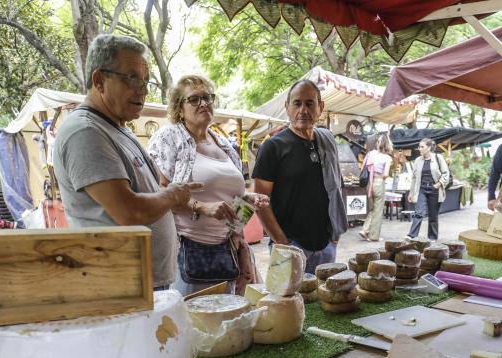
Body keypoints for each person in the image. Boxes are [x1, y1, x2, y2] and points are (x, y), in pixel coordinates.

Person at [53, 34, 200, 291]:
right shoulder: (85, 132)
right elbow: (130, 212)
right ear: (99, 80)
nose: (142, 89)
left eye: (145, 81)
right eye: (131, 78)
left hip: (142, 284)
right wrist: (173, 195)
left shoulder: (117, 129)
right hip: (120, 287)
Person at [147, 74, 268, 296]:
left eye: (207, 97)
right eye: (194, 99)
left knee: (226, 322)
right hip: (189, 254)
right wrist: (201, 206)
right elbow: (156, 192)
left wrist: (245, 211)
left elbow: (236, 200)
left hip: (226, 254)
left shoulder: (224, 144)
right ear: (179, 109)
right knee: (194, 324)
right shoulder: (168, 137)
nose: (203, 103)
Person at [252, 79, 347, 274]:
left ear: (320, 107)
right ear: (287, 108)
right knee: (290, 304)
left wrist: (334, 235)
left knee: (326, 302)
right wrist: (283, 243)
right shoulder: (274, 147)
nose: (303, 110)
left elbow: (337, 187)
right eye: (297, 103)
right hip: (291, 247)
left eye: (309, 103)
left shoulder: (327, 141)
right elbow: (260, 202)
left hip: (327, 245)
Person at [406, 138, 450, 241]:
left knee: (433, 216)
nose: (419, 149)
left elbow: (446, 173)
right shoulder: (418, 160)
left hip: (434, 190)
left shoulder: (438, 158)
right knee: (419, 213)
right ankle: (411, 236)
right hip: (422, 189)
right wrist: (411, 192)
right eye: (419, 146)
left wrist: (439, 184)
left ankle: (432, 238)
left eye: (422, 147)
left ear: (429, 148)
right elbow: (414, 177)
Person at [358, 133, 393, 242]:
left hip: (369, 184)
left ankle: (365, 229)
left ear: (378, 143)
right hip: (378, 183)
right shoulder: (387, 158)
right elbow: (386, 174)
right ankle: (373, 236)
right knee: (378, 211)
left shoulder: (371, 154)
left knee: (373, 208)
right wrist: (381, 177)